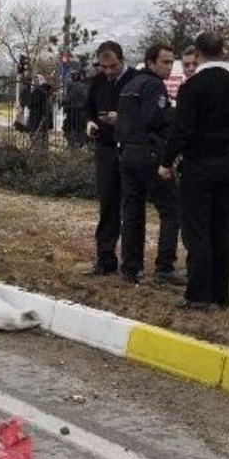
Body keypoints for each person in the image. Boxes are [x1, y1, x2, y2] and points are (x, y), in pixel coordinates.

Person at [159, 32, 229, 310]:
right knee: (223, 229)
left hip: (200, 166)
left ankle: (198, 295)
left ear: (198, 53)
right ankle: (221, 295)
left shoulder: (193, 87)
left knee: (197, 230)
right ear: (222, 51)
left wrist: (166, 162)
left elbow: (182, 130)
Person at [116, 44, 184, 286]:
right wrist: (165, 151)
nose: (169, 67)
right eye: (165, 62)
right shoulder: (154, 86)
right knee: (171, 210)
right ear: (151, 63)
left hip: (128, 153)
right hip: (148, 153)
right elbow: (155, 121)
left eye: (171, 62)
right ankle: (164, 268)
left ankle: (130, 268)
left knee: (132, 211)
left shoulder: (130, 85)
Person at [85, 40, 139, 275]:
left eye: (113, 66)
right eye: (104, 67)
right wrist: (90, 122)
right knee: (108, 202)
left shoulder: (136, 80)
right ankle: (105, 257)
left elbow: (147, 115)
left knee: (131, 205)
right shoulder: (98, 81)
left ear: (122, 60)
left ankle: (132, 263)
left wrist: (123, 118)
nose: (108, 71)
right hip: (105, 147)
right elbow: (88, 106)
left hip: (129, 148)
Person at [63, 69, 89, 148]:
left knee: (75, 130)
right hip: (76, 111)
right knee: (76, 129)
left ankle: (76, 145)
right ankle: (76, 144)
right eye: (71, 75)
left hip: (76, 112)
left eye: (73, 75)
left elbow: (68, 99)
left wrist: (66, 103)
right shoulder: (81, 85)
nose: (71, 77)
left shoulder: (77, 86)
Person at [26, 74, 53, 150]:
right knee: (43, 144)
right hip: (43, 122)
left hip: (36, 122)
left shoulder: (37, 93)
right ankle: (43, 155)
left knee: (37, 146)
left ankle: (38, 155)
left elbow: (30, 104)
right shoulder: (46, 92)